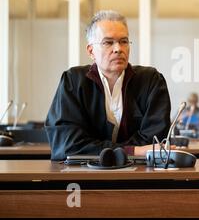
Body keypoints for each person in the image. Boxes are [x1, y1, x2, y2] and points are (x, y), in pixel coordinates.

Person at [45, 10, 171, 160]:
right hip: (84, 175)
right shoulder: (73, 81)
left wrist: (96, 148)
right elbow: (67, 145)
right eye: (108, 42)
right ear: (91, 51)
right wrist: (132, 150)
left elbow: (155, 144)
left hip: (141, 173)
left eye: (123, 41)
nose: (118, 48)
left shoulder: (151, 81)